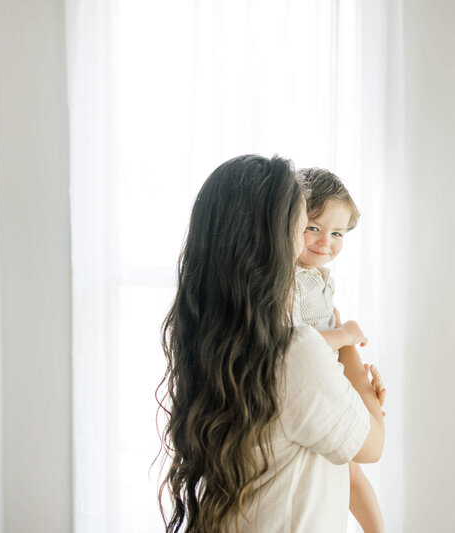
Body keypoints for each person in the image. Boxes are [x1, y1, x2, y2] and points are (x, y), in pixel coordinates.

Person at [158, 154, 385, 532]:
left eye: (336, 233)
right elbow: (372, 445)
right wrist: (351, 357)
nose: (317, 243)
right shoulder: (294, 348)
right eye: (304, 227)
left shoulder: (220, 335)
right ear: (271, 242)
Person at [293, 167, 386, 532]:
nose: (325, 242)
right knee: (347, 470)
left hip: (330, 381)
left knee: (352, 473)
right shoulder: (289, 280)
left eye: (337, 233)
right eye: (313, 228)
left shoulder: (318, 278)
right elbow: (297, 342)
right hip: (311, 385)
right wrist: (345, 334)